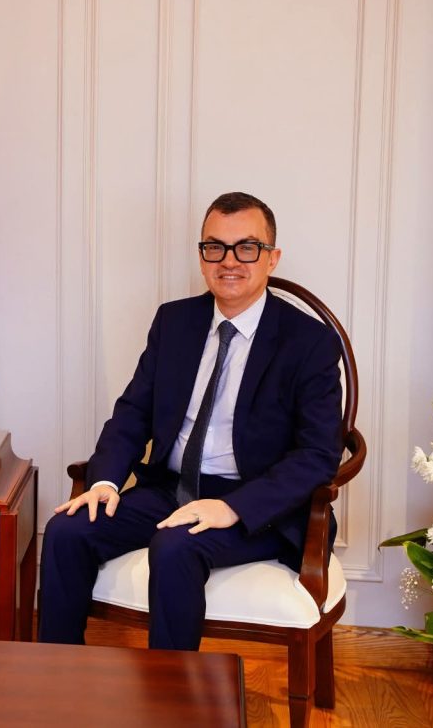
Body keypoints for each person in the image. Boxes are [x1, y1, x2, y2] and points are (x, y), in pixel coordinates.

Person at [37, 191, 342, 650]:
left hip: (257, 507)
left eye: (247, 247)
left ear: (272, 258)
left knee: (175, 546)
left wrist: (232, 508)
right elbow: (133, 412)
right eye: (215, 247)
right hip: (171, 490)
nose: (229, 261)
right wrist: (104, 482)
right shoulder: (174, 321)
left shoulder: (310, 341)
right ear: (202, 257)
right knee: (66, 531)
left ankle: (170, 691)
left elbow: (318, 454)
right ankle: (57, 680)